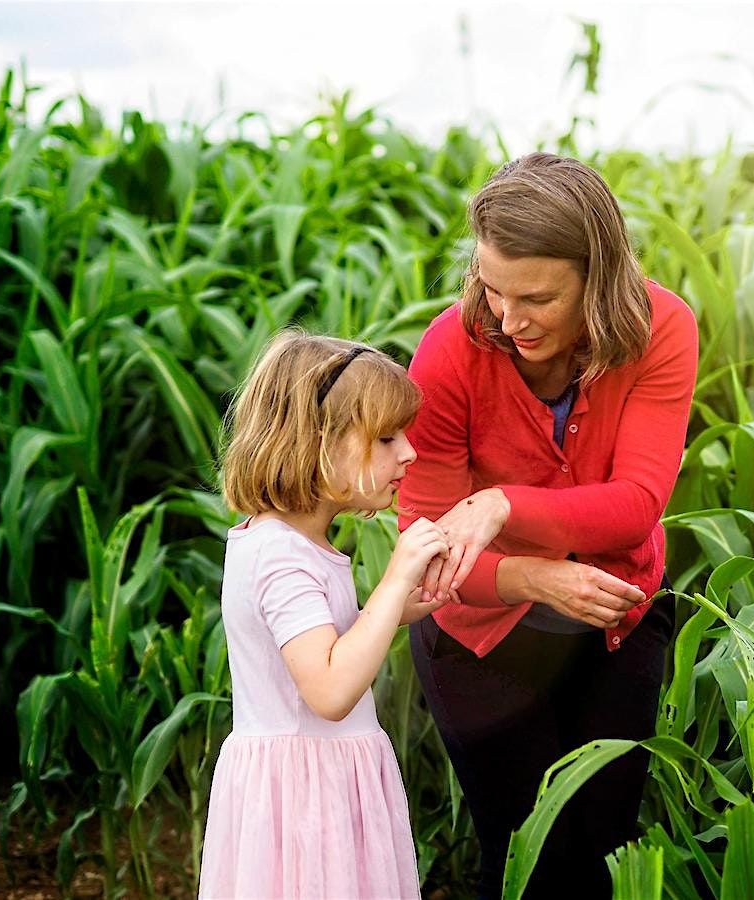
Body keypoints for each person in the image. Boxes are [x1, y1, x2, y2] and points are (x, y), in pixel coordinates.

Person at [399, 152, 698, 898]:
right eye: (491, 288)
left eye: (536, 298)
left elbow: (635, 504)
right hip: (480, 633)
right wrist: (532, 575)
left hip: (611, 613)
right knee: (528, 858)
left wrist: (503, 504)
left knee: (605, 856)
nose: (507, 318)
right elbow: (427, 550)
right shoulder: (449, 351)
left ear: (598, 280)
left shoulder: (663, 328)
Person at [200, 330, 451, 899]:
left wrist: (388, 612)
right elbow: (330, 691)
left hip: (318, 786)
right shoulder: (281, 555)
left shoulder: (288, 545)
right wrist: (395, 579)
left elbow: (317, 650)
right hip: (305, 804)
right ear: (318, 443)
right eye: (385, 438)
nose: (408, 453)